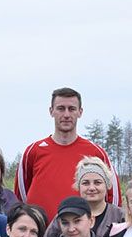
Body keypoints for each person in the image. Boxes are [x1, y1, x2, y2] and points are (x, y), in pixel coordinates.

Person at [15, 87, 120, 220]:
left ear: (80, 112)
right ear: (51, 111)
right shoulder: (33, 152)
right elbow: (20, 198)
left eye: (71, 109)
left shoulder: (96, 153)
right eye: (60, 108)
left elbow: (113, 199)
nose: (66, 114)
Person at [42, 156, 125, 237]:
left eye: (97, 182)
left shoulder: (120, 216)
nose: (92, 188)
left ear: (107, 185)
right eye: (86, 183)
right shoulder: (65, 215)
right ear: (78, 186)